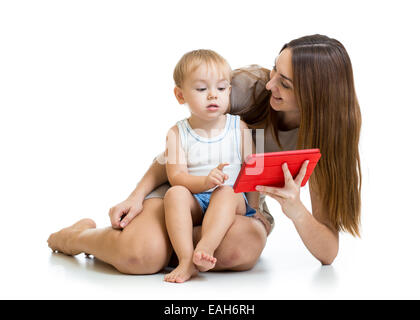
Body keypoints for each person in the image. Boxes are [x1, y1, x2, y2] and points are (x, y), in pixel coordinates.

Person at [47, 34, 361, 275]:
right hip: (184, 189)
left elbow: (328, 252)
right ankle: (80, 237)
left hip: (234, 204)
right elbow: (180, 146)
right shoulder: (247, 87)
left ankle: (169, 248)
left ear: (316, 95)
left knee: (243, 247)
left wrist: (295, 209)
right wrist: (135, 196)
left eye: (285, 83)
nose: (270, 84)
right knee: (139, 256)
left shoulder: (327, 138)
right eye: (275, 69)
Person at [162, 50, 259, 283]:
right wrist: (204, 182)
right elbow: (176, 176)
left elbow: (253, 171)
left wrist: (255, 211)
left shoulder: (239, 127)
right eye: (202, 89)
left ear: (230, 91)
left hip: (230, 201)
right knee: (174, 194)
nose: (213, 96)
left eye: (221, 88)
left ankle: (205, 248)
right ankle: (186, 259)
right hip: (197, 199)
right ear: (180, 95)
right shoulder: (177, 133)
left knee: (226, 191)